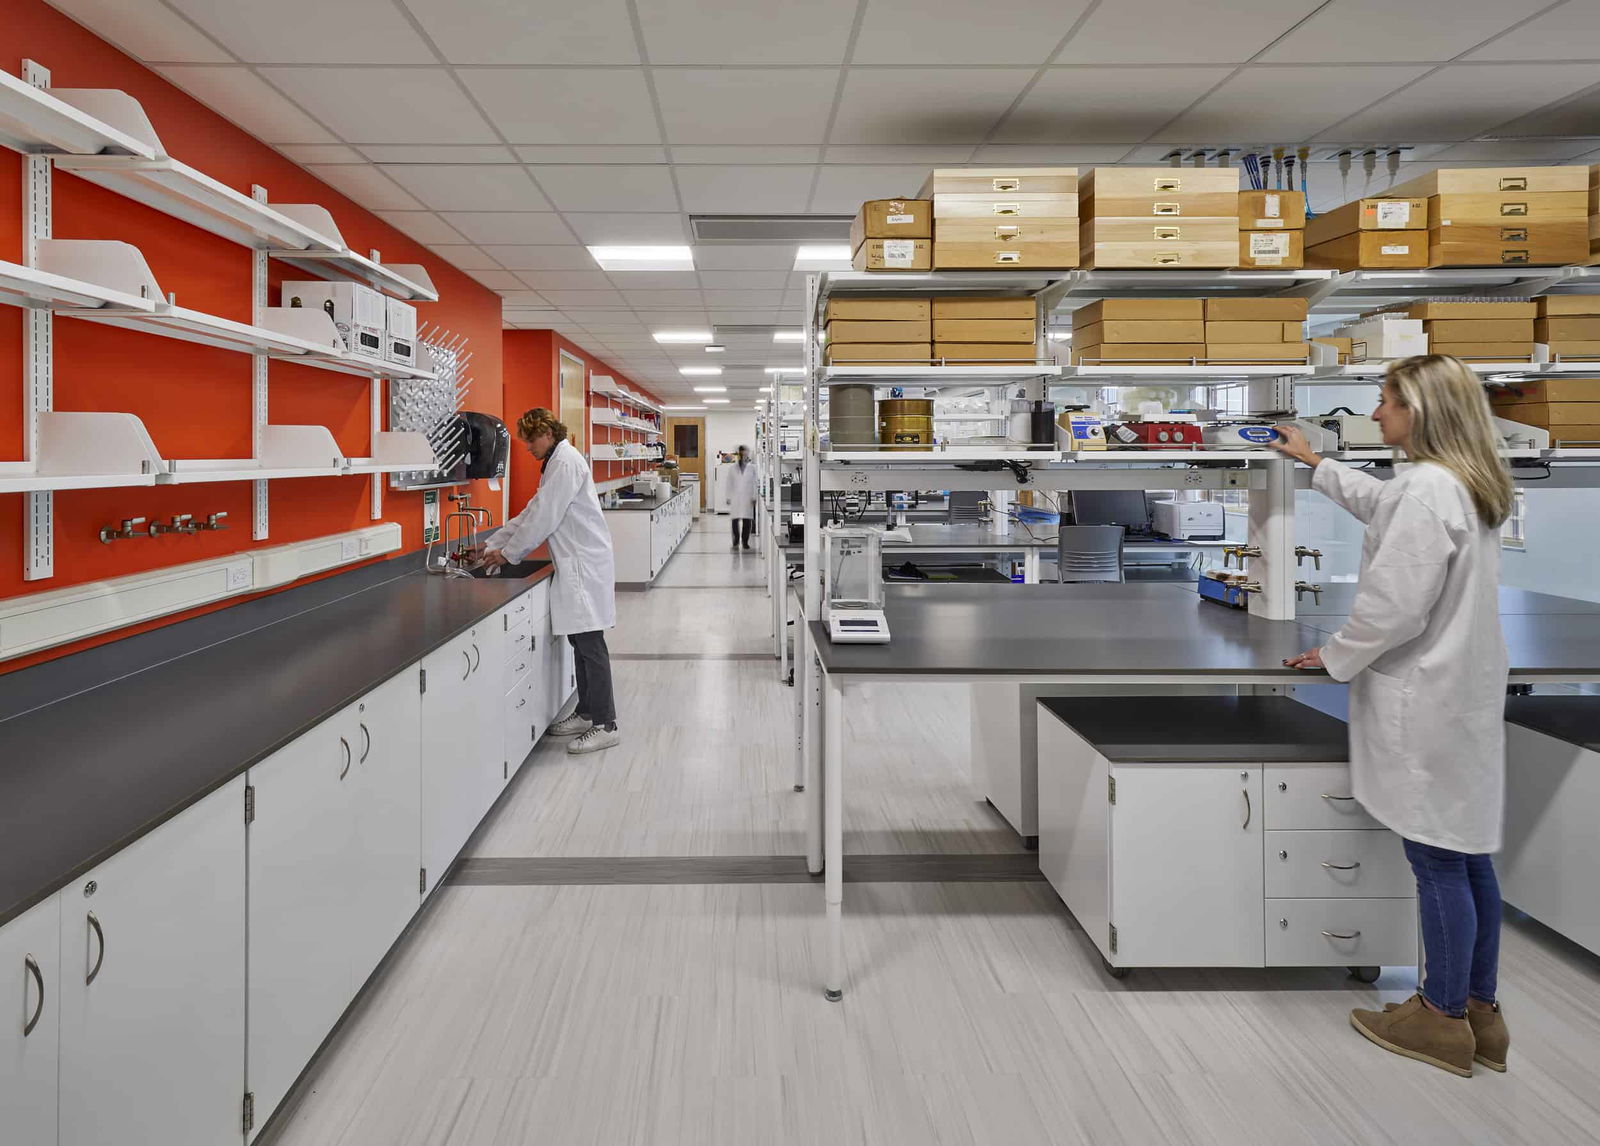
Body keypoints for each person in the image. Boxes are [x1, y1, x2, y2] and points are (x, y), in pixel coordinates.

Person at [1272, 355, 1514, 1078]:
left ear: (1423, 412)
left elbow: (1394, 607)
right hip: (1461, 694)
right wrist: (1316, 464)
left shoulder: (1427, 488)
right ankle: (1480, 1014)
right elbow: (1385, 506)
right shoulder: (1460, 482)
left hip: (1424, 698)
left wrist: (1335, 652)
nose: (1376, 414)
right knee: (1469, 855)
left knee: (1436, 860)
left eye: (1386, 401)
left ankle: (1438, 1020)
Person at [473, 409, 620, 756]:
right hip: (576, 565)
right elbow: (532, 512)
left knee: (590, 644)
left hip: (584, 564)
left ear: (549, 434)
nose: (527, 447)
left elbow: (544, 518)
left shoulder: (565, 463)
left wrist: (508, 555)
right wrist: (495, 542)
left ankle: (607, 724)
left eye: (531, 439)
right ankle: (587, 713)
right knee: (580, 644)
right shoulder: (556, 464)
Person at [727, 444, 759, 550]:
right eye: (741, 452)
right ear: (739, 454)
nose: (743, 454)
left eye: (745, 452)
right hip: (736, 497)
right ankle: (735, 541)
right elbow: (729, 483)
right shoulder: (732, 468)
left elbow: (755, 483)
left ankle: (745, 542)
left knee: (747, 521)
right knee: (735, 520)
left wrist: (754, 497)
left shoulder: (752, 468)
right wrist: (728, 496)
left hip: (747, 497)